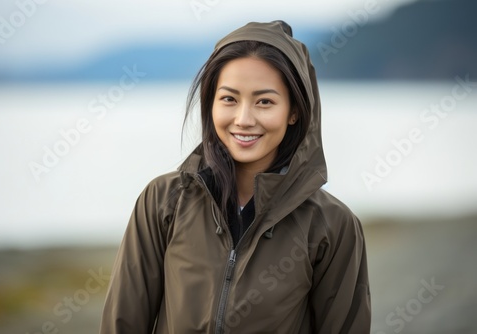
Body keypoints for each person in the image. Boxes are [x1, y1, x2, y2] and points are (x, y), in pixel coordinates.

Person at [100, 20, 371, 333]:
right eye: (229, 98)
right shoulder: (163, 201)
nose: (244, 119)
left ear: (294, 111)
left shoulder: (332, 226)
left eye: (264, 102)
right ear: (211, 103)